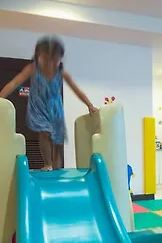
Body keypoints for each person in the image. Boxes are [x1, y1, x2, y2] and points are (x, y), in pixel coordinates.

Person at [0, 36, 98, 171]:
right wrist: (1, 97)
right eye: (46, 60)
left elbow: (77, 91)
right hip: (39, 107)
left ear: (59, 60)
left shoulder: (62, 73)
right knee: (44, 133)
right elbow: (14, 83)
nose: (50, 65)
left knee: (58, 141)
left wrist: (89, 105)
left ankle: (56, 168)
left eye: (54, 61)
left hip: (55, 108)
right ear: (38, 57)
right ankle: (47, 163)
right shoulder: (32, 69)